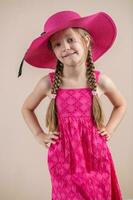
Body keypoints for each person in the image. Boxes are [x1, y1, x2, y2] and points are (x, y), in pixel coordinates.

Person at [19, 10, 127, 200]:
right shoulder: (49, 83)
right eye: (58, 44)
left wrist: (109, 129)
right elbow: (26, 108)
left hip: (95, 154)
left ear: (86, 40)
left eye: (70, 39)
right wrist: (39, 135)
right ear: (53, 52)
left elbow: (121, 104)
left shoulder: (100, 81)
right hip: (63, 158)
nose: (65, 47)